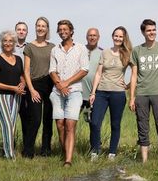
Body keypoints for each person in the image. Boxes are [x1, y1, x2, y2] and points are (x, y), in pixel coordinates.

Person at [129, 18, 158, 164]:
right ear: (143, 32)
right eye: (149, 30)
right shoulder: (137, 50)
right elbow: (134, 75)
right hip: (142, 94)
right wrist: (131, 97)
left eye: (154, 30)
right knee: (142, 126)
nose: (152, 33)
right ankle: (144, 160)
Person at [88, 26, 133, 160]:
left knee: (115, 124)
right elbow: (98, 73)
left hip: (118, 94)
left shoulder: (128, 53)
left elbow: (136, 73)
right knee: (95, 122)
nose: (118, 38)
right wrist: (93, 92)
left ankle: (112, 153)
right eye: (116, 36)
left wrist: (129, 85)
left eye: (120, 36)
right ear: (112, 36)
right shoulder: (105, 52)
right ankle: (95, 151)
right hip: (101, 92)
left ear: (124, 38)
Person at [49, 20, 89, 166]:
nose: (62, 31)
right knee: (60, 124)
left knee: (70, 124)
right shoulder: (55, 50)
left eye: (65, 29)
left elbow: (84, 69)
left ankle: (68, 160)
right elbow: (52, 71)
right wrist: (60, 85)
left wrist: (67, 83)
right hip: (57, 92)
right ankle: (65, 151)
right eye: (60, 29)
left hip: (74, 91)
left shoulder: (80, 48)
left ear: (71, 31)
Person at [22, 16, 55, 158]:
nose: (40, 28)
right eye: (38, 26)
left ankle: (46, 149)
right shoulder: (29, 47)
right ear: (35, 28)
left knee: (48, 118)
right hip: (34, 85)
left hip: (50, 83)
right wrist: (31, 89)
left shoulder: (52, 47)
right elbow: (26, 70)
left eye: (43, 26)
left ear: (47, 29)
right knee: (35, 119)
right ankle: (28, 151)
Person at [0, 30, 26, 159]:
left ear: (14, 43)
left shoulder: (18, 59)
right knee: (6, 124)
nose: (8, 43)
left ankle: (6, 150)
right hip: (1, 95)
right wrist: (13, 88)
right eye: (5, 41)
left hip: (17, 96)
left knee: (12, 126)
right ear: (2, 43)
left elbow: (21, 76)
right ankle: (10, 155)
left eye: (11, 41)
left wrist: (22, 84)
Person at [80, 27, 103, 124]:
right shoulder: (80, 50)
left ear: (98, 37)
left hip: (94, 94)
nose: (92, 38)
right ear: (86, 37)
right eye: (90, 35)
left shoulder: (103, 52)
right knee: (71, 122)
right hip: (79, 93)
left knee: (94, 123)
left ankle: (94, 140)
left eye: (94, 35)